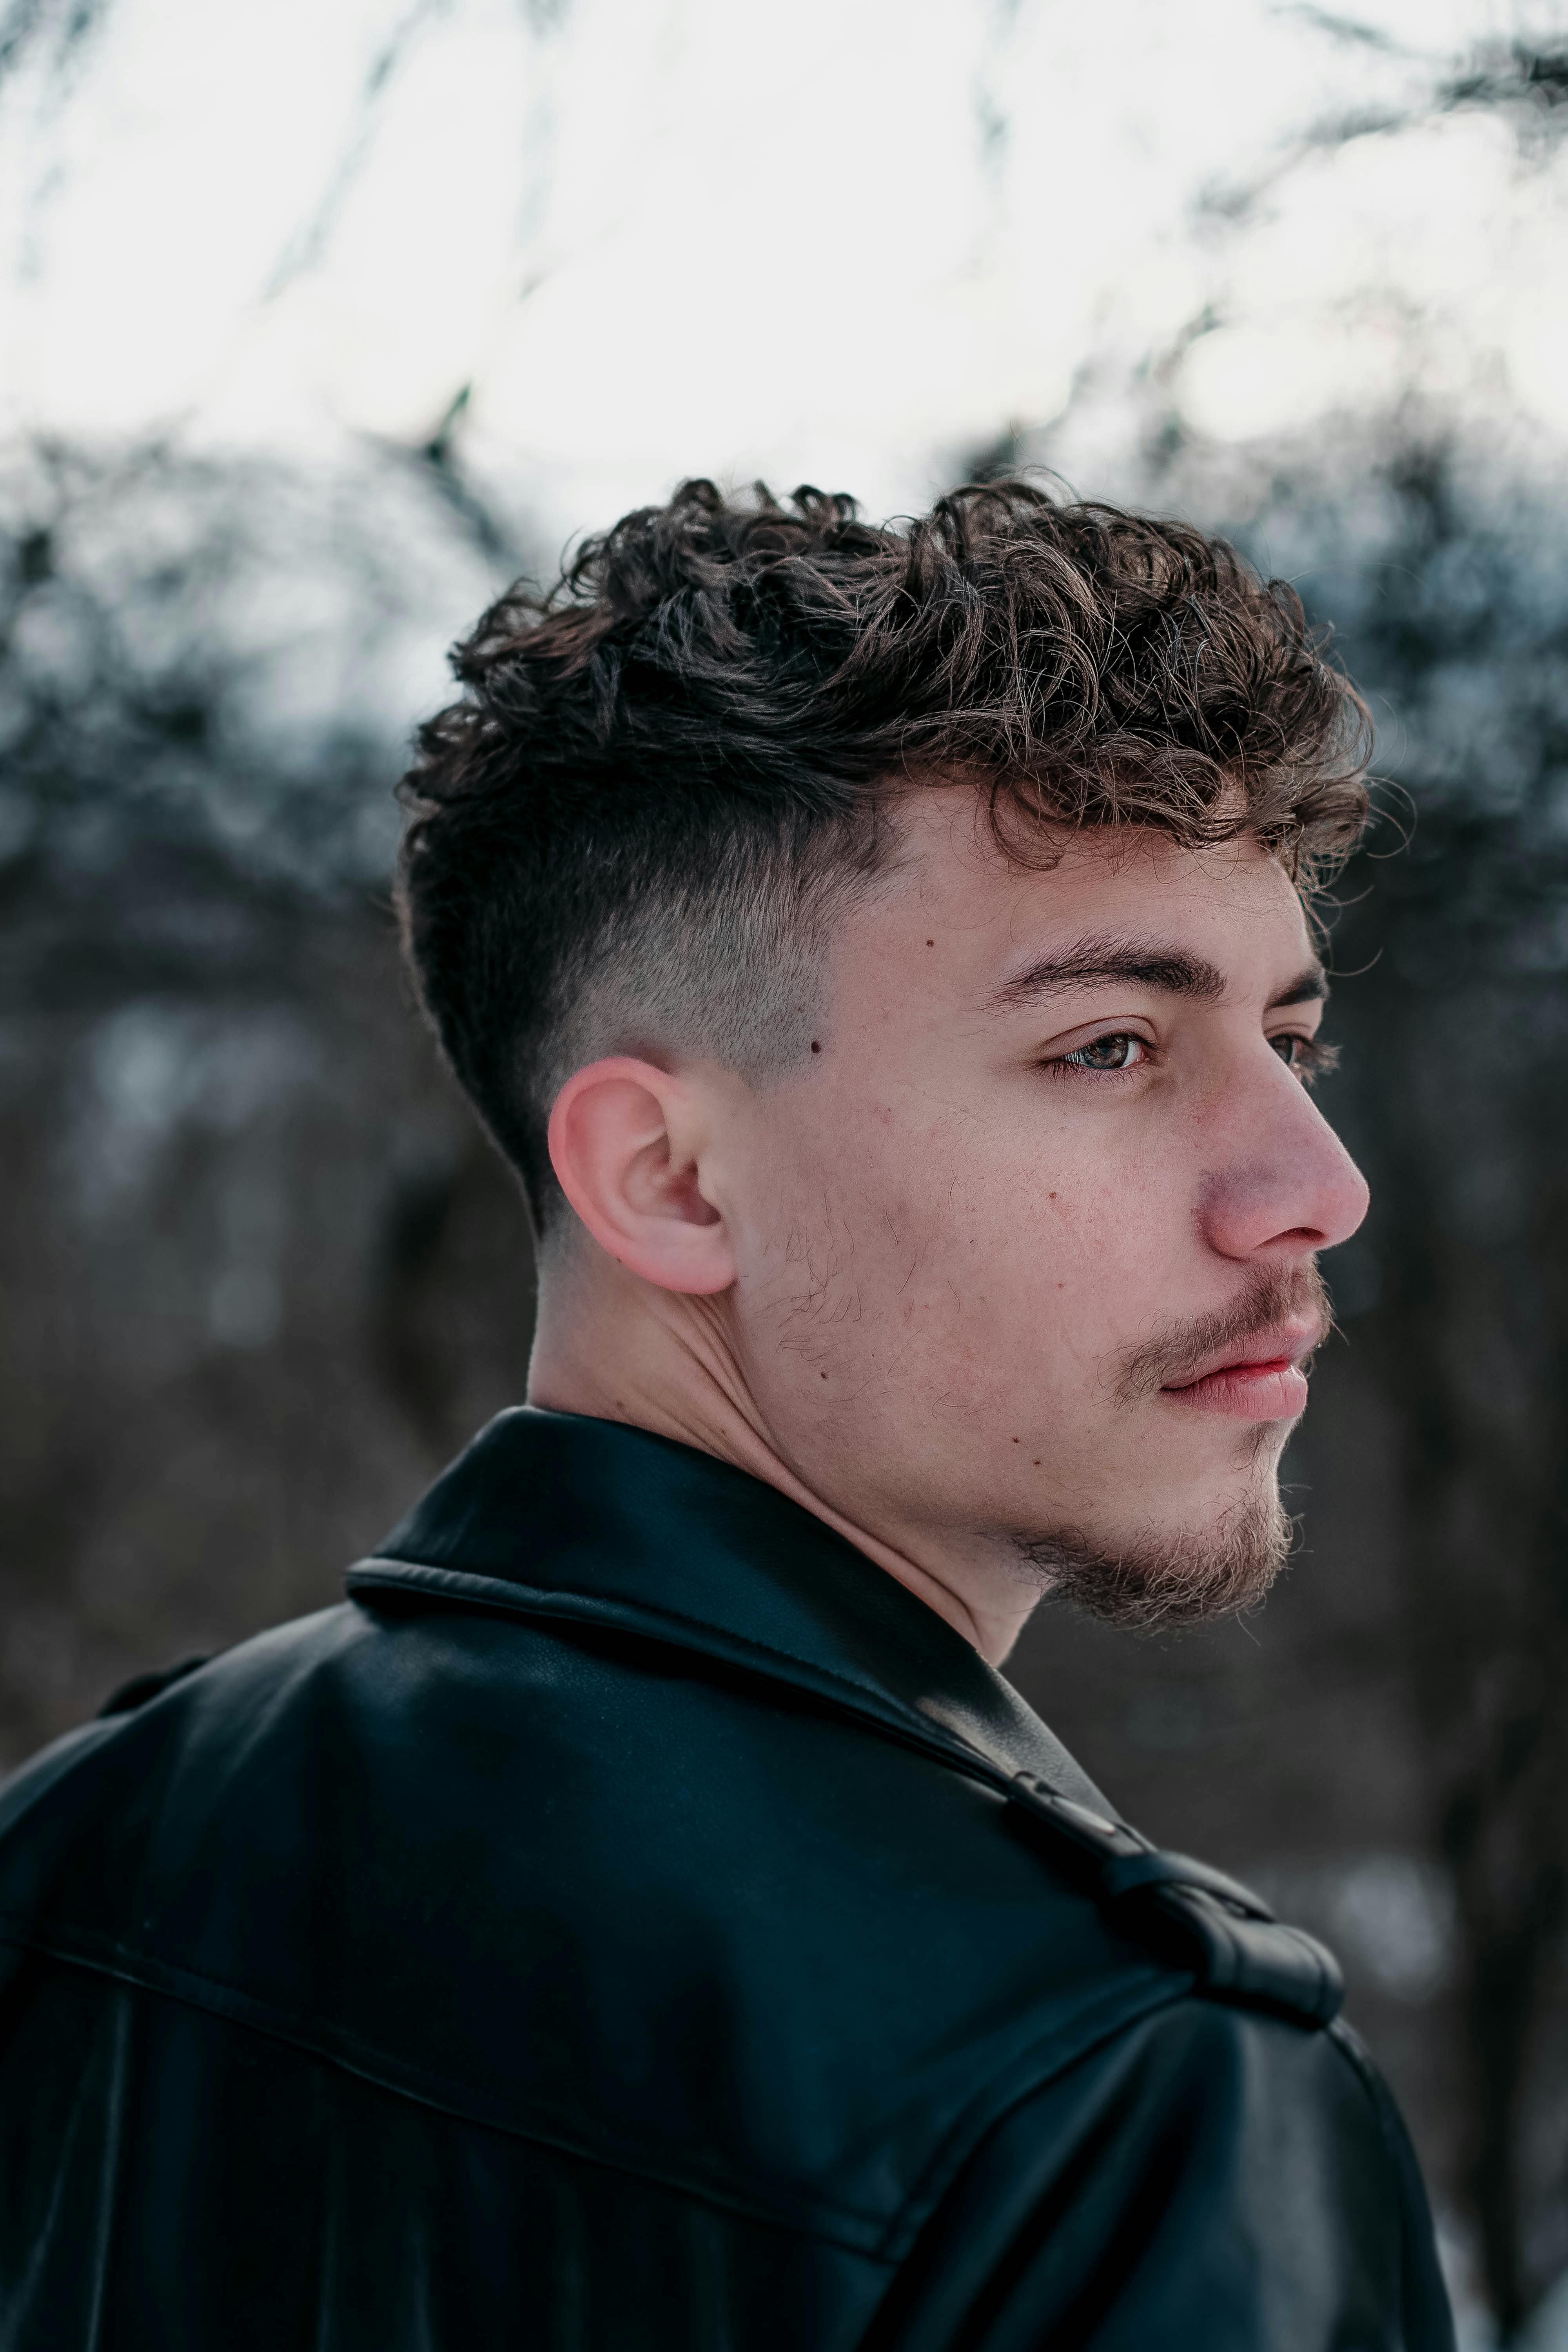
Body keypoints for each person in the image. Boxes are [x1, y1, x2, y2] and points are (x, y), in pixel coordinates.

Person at [0, 479, 1454, 2349]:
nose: (1311, 1184)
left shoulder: (82, 1855)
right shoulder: (1119, 2099)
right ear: (673, 1181)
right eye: (1110, 1046)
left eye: (1292, 1040)